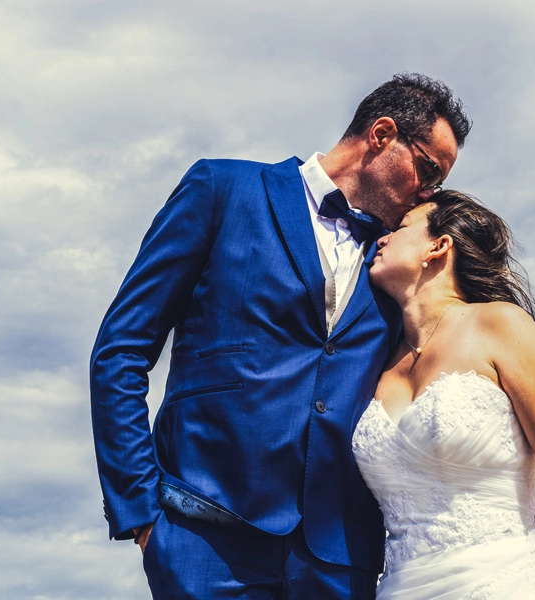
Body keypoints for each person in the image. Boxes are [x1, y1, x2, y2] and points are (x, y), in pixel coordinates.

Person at [89, 73, 471, 598]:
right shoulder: (222, 190)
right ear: (382, 134)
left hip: (341, 555)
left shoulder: (400, 254)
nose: (429, 193)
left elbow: (466, 334)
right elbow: (121, 351)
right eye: (428, 169)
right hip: (204, 535)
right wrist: (141, 514)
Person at [353, 190, 535, 599]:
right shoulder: (376, 361)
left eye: (400, 229)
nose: (381, 239)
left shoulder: (499, 325)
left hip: (509, 581)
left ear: (438, 247)